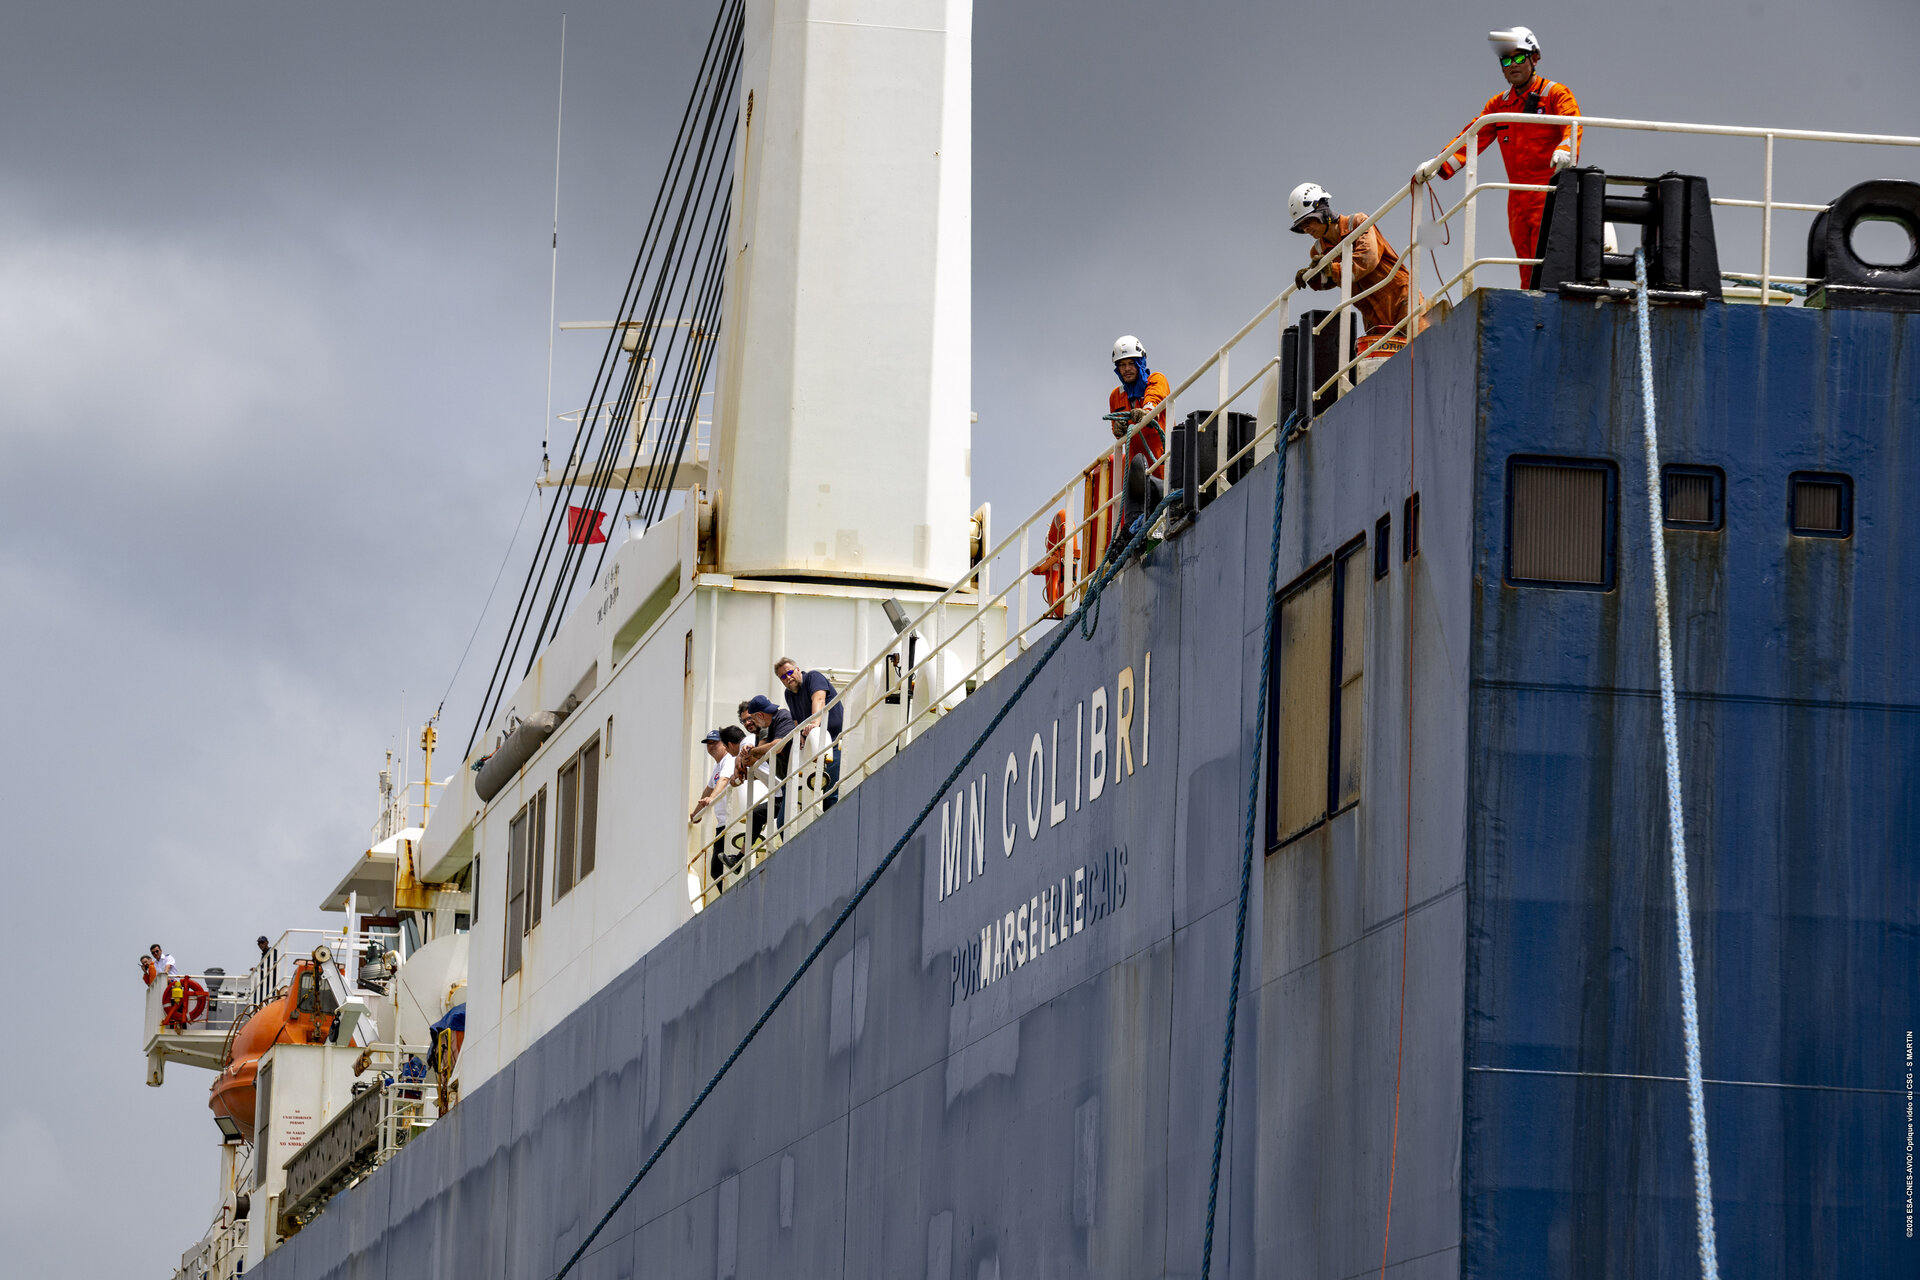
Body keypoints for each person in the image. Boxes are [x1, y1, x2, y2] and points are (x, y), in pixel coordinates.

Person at [1418, 26, 1581, 288]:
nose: (1512, 65)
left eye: (1519, 58)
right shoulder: (1499, 105)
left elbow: (1573, 124)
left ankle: (1550, 300)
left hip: (1548, 191)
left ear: (1534, 58)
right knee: (1525, 259)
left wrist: (1565, 148)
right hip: (1516, 196)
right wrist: (1438, 164)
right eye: (1506, 60)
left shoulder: (1555, 94)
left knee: (1549, 256)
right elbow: (1473, 137)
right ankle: (1530, 302)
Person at [1289, 182, 1424, 344]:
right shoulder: (1318, 250)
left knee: (1422, 347)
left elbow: (1368, 259)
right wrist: (1312, 277)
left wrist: (1331, 269)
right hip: (1372, 317)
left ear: (1322, 211)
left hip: (1400, 299)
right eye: (1302, 226)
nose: (1306, 229)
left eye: (1308, 221)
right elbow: (1330, 281)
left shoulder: (1358, 223)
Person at [775, 657, 842, 811]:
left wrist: (814, 724)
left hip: (834, 741)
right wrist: (801, 737)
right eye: (783, 677)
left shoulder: (813, 677)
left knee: (831, 793)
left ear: (798, 670)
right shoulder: (789, 694)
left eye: (790, 672)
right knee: (813, 794)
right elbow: (797, 720)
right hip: (813, 746)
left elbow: (819, 699)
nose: (788, 677)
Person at [739, 695, 799, 828]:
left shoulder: (782, 717)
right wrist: (745, 755)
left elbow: (777, 746)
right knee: (783, 824)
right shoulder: (770, 726)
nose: (753, 723)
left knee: (784, 824)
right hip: (787, 781)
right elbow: (758, 756)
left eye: (753, 719)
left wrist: (752, 752)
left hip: (797, 778)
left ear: (760, 715)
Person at [690, 728, 742, 879]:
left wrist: (712, 799)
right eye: (708, 743)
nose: (711, 746)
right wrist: (696, 813)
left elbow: (724, 780)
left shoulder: (730, 760)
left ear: (725, 744)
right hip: (723, 823)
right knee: (717, 871)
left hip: (733, 821)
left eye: (715, 742)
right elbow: (708, 789)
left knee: (720, 870)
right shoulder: (717, 766)